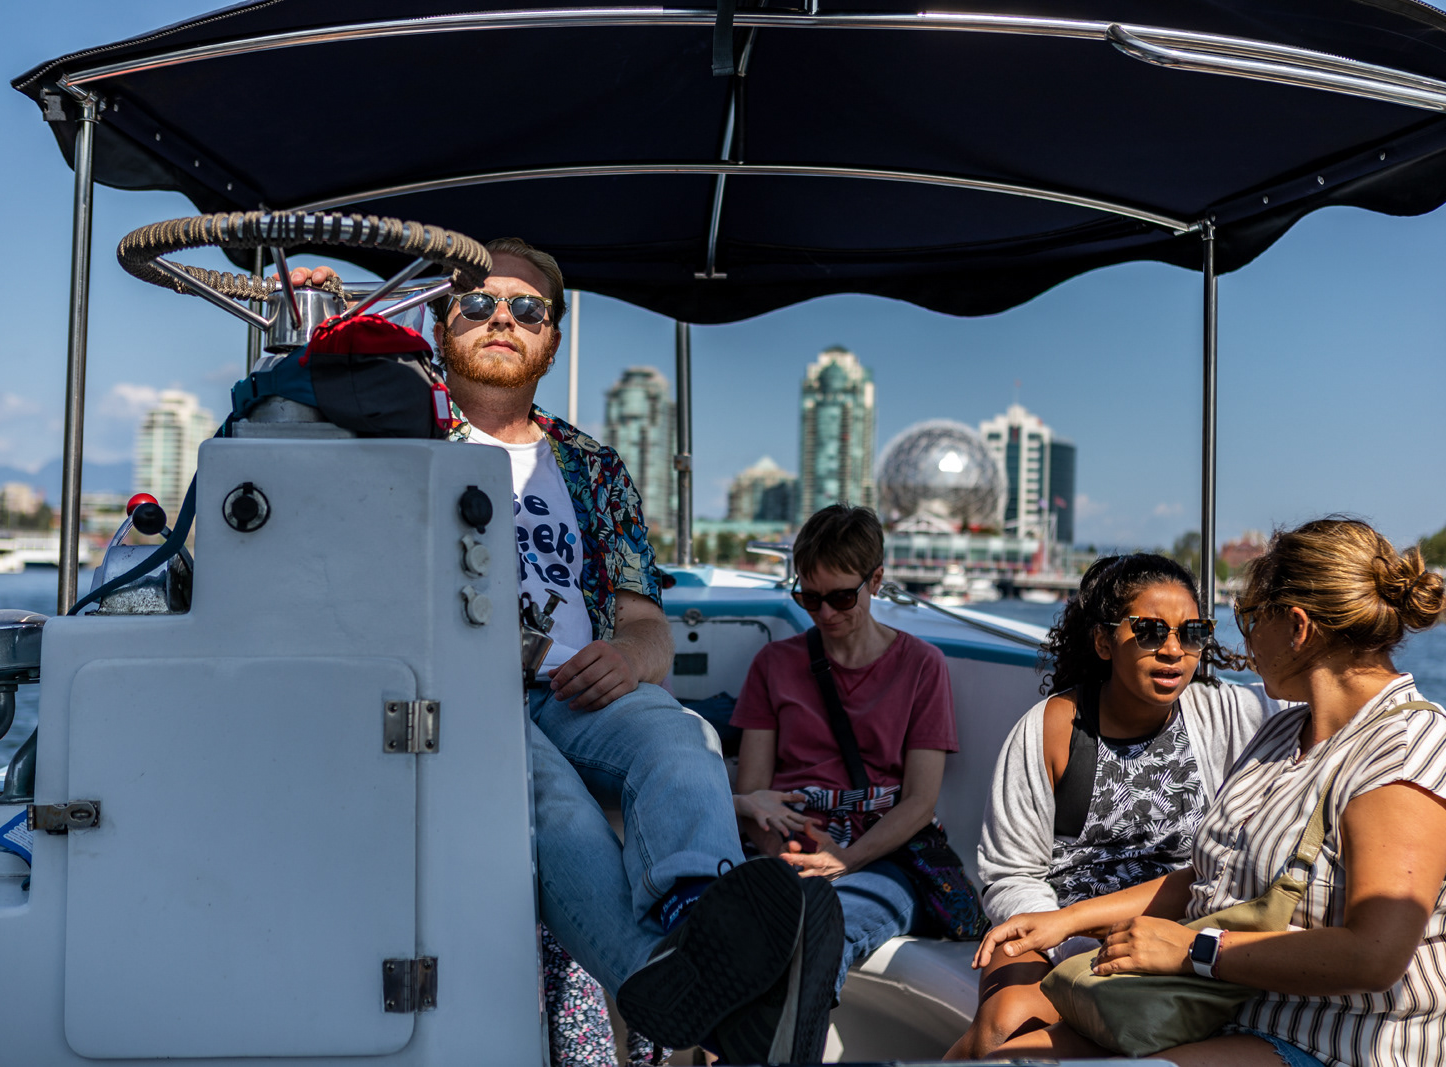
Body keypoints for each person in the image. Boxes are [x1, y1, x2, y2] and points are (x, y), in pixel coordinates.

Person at [289, 246, 841, 1064]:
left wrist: (627, 657)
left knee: (680, 735)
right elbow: (304, 424)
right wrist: (315, 318)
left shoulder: (594, 467)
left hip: (580, 690)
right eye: (478, 303)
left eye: (527, 309)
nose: (502, 319)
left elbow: (647, 625)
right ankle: (678, 984)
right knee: (547, 799)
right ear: (439, 323)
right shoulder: (397, 430)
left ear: (551, 339)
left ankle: (698, 920)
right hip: (463, 692)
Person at [985, 517, 1446, 1066]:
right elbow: (1214, 876)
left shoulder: (1403, 759)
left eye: (1249, 620)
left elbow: (1372, 956)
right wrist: (1068, 919)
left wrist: (1193, 950)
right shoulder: (1285, 731)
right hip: (1232, 1010)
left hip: (1338, 1041)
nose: (1243, 643)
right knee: (1002, 1058)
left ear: (1296, 627)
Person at [946, 553, 1277, 1060]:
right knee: (1006, 1025)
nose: (1173, 650)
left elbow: (1332, 707)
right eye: (1149, 631)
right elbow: (1011, 873)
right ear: (1104, 642)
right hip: (1056, 924)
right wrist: (1073, 941)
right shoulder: (1053, 729)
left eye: (1192, 633)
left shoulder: (1228, 714)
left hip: (1174, 926)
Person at [730, 505, 961, 999]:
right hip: (786, 846)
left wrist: (846, 861)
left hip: (882, 857)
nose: (825, 614)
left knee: (823, 935)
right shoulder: (773, 664)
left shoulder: (923, 666)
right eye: (809, 599)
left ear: (875, 581)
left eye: (840, 597)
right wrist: (786, 859)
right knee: (744, 932)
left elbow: (920, 802)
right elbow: (754, 793)